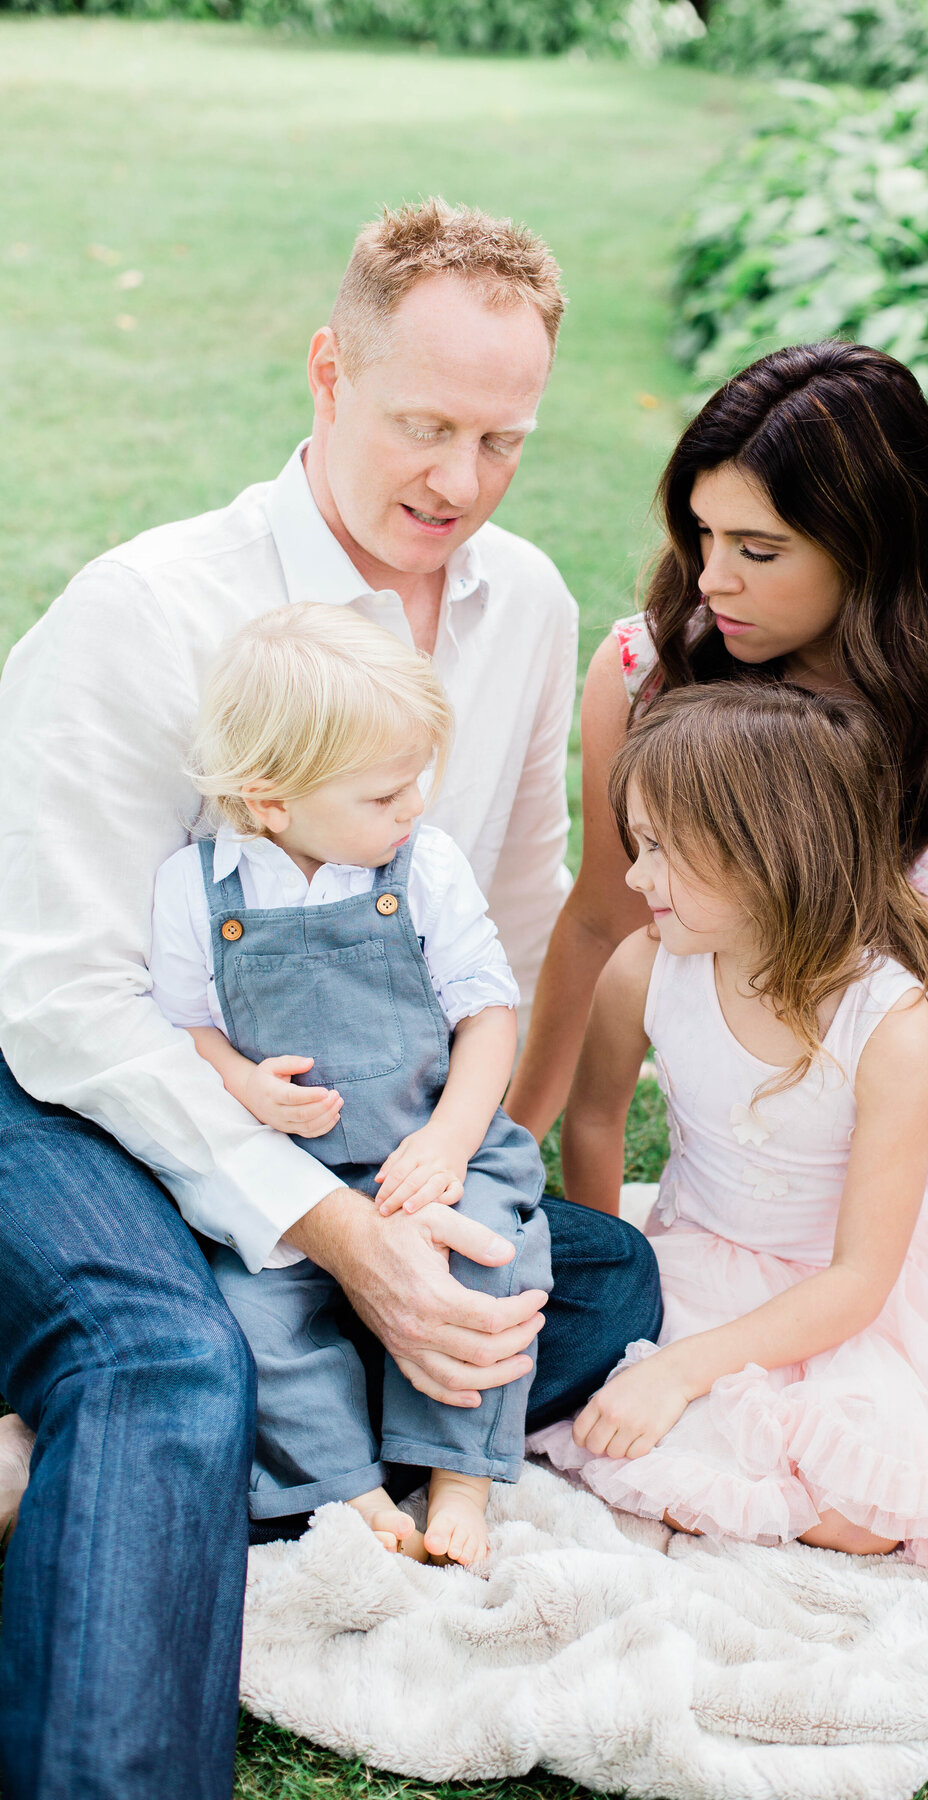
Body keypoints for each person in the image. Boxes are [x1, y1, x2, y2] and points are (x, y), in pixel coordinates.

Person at [0, 199, 660, 1800]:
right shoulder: (144, 612)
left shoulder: (526, 606)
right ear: (326, 373)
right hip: (76, 1091)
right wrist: (333, 1230)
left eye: (503, 439)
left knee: (598, 1284)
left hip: (357, 1129)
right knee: (168, 1364)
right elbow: (64, 1004)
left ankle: (70, 1460)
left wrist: (435, 1186)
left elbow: (504, 914)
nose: (459, 480)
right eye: (423, 426)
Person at [507, 339, 928, 1581]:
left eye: (758, 550)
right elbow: (609, 922)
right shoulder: (650, 672)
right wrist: (508, 1156)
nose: (712, 576)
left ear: (875, 542)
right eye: (701, 532)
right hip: (819, 1124)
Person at [530, 683, 928, 1570]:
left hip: (831, 1297)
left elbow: (860, 1278)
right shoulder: (646, 968)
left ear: (767, 855)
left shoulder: (886, 1024)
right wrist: (617, 1283)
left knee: (866, 1505)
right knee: (617, 1424)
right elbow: (593, 1122)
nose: (634, 876)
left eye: (661, 849)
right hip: (695, 1252)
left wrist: (680, 1367)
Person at [151, 604, 550, 1568]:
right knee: (252, 1318)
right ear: (271, 798)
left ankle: (459, 1475)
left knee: (490, 1263)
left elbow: (487, 1014)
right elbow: (184, 1032)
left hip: (426, 1143)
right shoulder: (198, 891)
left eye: (418, 780)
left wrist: (451, 1141)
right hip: (293, 1185)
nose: (412, 806)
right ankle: (348, 1488)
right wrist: (245, 1082)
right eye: (384, 794)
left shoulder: (423, 868)